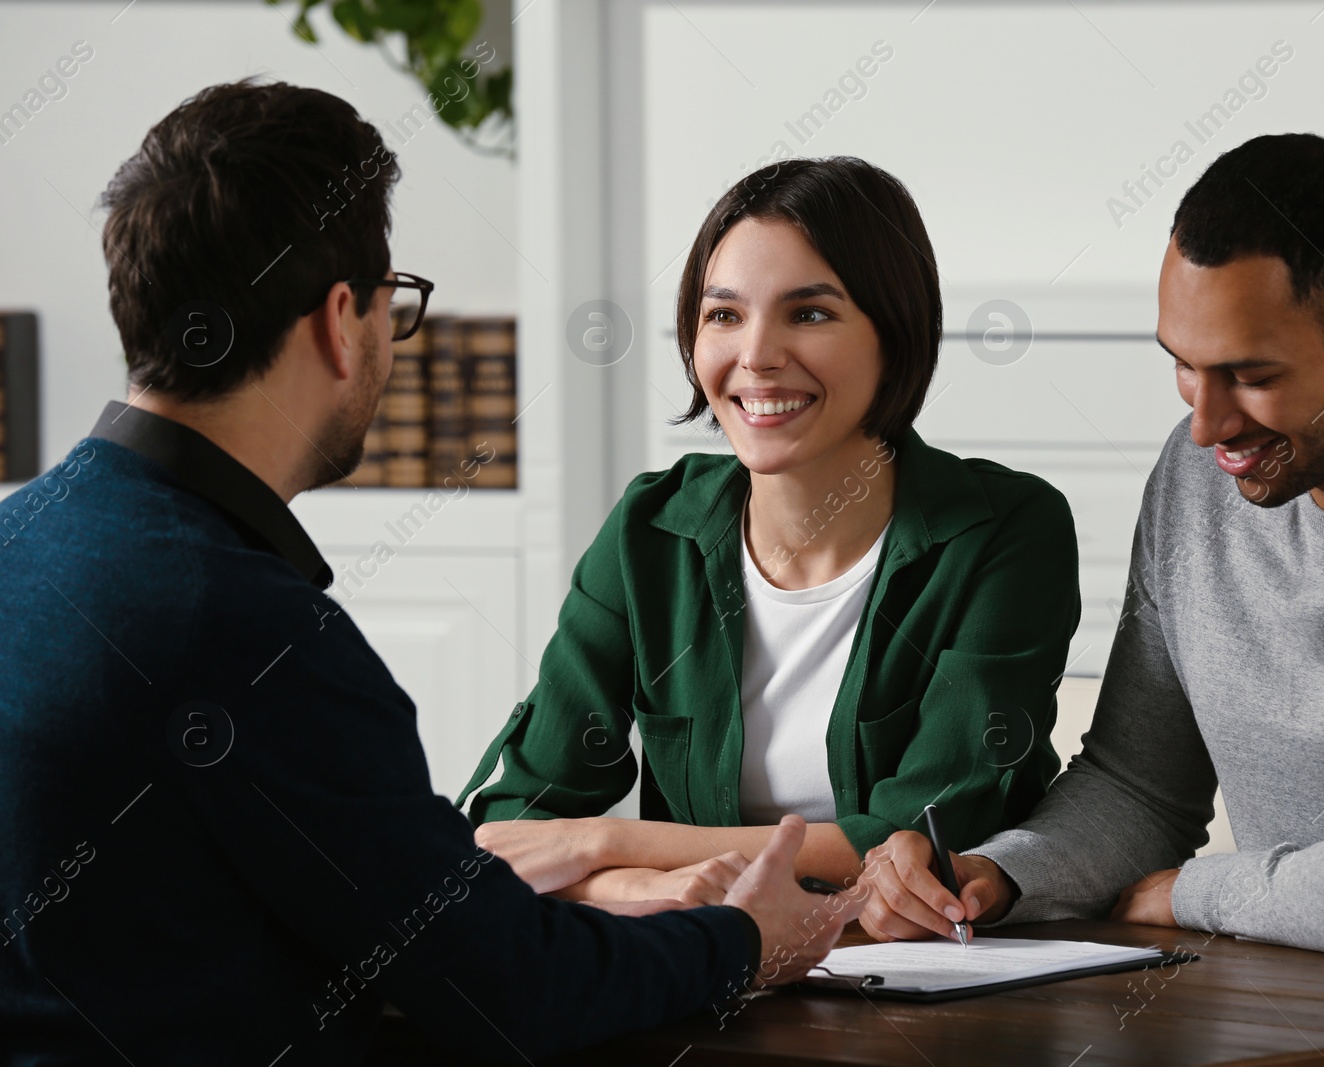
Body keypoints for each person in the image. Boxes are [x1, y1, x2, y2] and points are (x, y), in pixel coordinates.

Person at [0, 80, 862, 1065]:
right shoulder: (245, 628)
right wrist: (745, 938)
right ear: (340, 319)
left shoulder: (19, 542)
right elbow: (506, 984)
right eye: (390, 306)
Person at [856, 133, 1324, 973]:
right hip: (1298, 1020)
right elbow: (1139, 786)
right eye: (1182, 365)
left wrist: (1190, 894)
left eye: (1251, 375)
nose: (1206, 426)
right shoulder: (1200, 473)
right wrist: (997, 873)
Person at [460, 157, 1079, 906]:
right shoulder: (649, 532)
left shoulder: (1004, 530)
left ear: (896, 331)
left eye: (809, 313)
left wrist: (607, 842)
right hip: (711, 976)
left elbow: (926, 829)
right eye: (724, 314)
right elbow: (519, 816)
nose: (755, 356)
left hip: (944, 987)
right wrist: (648, 890)